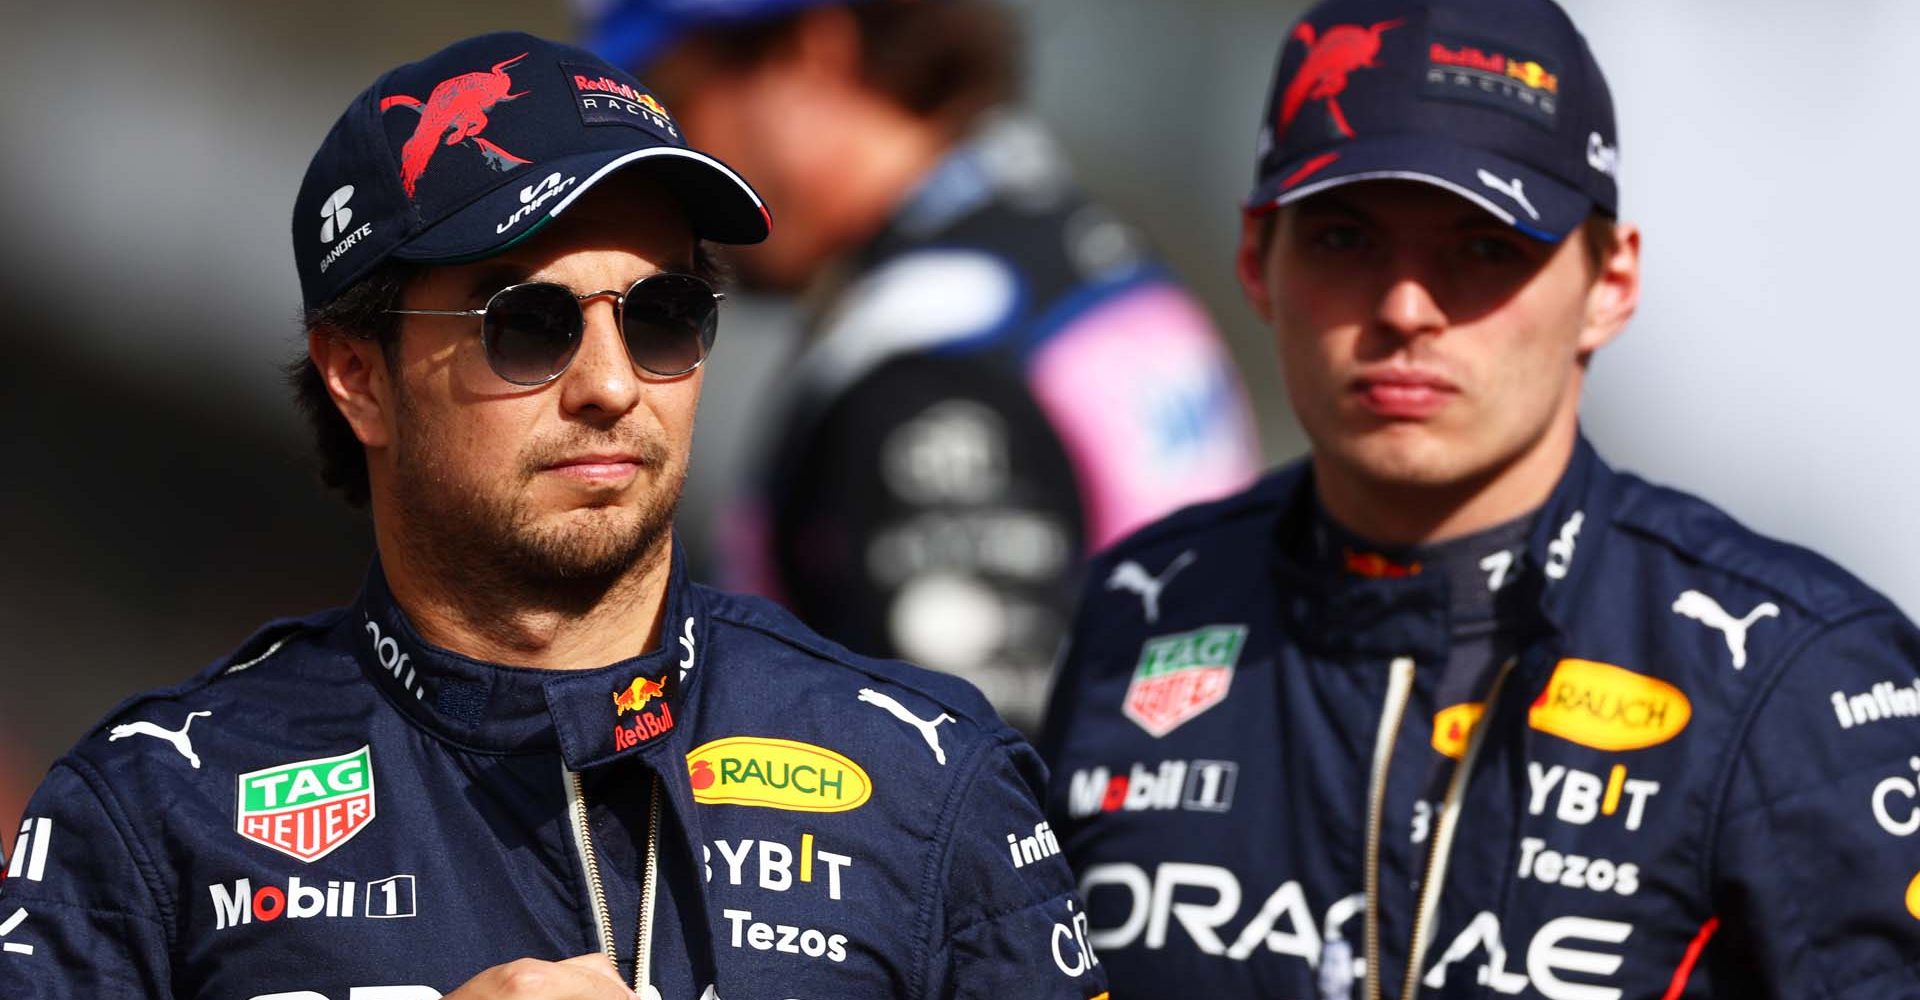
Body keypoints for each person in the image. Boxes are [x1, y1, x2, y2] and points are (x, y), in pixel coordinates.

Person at [0, 32, 1108, 1000]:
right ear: (360, 375)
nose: (612, 384)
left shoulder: (932, 776)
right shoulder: (151, 807)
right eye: (528, 324)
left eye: (666, 316)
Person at [1038, 0, 1920, 997]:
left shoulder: (1788, 670)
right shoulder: (1141, 606)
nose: (1406, 307)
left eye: (1485, 245)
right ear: (1256, 260)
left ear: (1611, 281)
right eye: (1342, 238)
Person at [581, 0, 1263, 732]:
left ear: (816, 54)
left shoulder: (925, 356)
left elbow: (973, 784)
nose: (676, 165)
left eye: (679, 100)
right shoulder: (1070, 255)